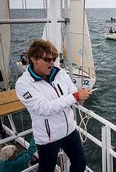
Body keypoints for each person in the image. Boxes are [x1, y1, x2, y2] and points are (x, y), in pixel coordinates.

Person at [15, 39, 91, 172]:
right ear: (34, 59)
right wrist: (75, 97)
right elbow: (43, 108)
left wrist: (80, 99)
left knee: (80, 164)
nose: (52, 63)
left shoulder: (60, 73)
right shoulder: (23, 84)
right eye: (47, 59)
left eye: (54, 59)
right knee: (47, 169)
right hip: (48, 137)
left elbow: (73, 92)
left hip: (70, 131)